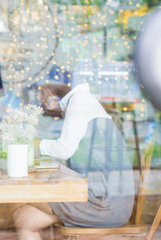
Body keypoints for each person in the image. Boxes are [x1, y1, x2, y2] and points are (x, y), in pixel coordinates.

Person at [13, 83, 135, 240]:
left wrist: (31, 144)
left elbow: (64, 149)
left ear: (52, 97)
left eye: (43, 100)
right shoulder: (84, 101)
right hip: (109, 203)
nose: (42, 105)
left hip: (104, 206)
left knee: (26, 199)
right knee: (24, 217)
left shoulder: (79, 102)